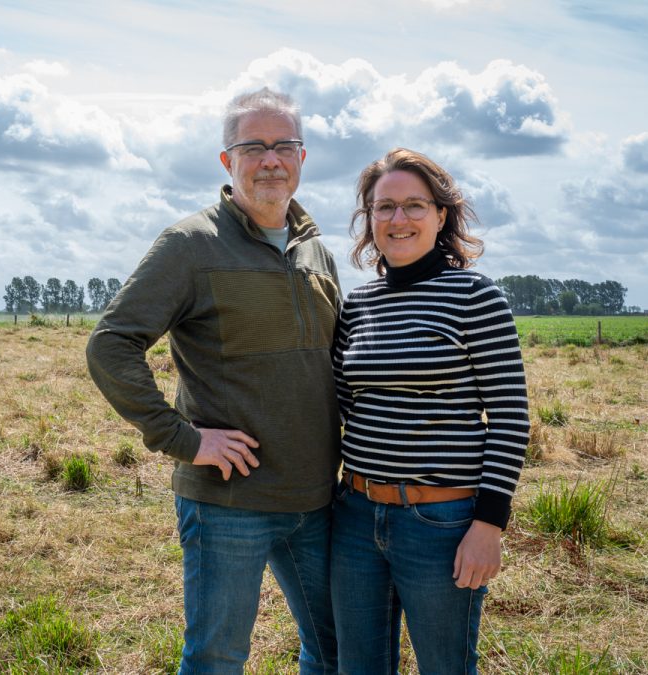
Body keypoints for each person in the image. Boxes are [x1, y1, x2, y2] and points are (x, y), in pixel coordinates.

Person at [86, 88, 341, 674]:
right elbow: (110, 345)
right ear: (228, 161)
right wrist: (185, 440)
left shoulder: (316, 252)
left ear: (302, 158)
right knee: (218, 658)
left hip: (320, 498)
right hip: (230, 501)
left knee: (334, 652)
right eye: (253, 146)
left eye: (284, 146)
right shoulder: (190, 245)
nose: (270, 160)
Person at [331, 147, 530, 673]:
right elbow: (341, 405)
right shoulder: (358, 305)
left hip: (441, 522)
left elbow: (511, 417)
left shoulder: (474, 297)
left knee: (445, 666)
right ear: (369, 219)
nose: (399, 219)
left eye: (414, 206)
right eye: (384, 207)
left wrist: (489, 525)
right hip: (355, 516)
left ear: (441, 215)